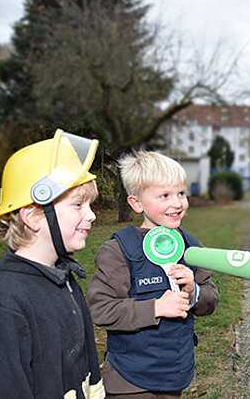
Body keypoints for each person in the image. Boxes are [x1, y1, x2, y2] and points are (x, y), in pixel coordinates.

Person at [0, 130, 104, 398]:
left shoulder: (63, 278)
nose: (92, 215)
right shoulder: (4, 303)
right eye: (78, 204)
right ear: (33, 216)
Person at [87, 151, 219, 398]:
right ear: (136, 203)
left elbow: (210, 299)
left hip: (174, 375)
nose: (177, 203)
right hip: (130, 381)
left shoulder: (192, 248)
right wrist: (155, 307)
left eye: (181, 193)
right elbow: (101, 309)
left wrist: (193, 292)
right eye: (165, 195)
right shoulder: (118, 250)